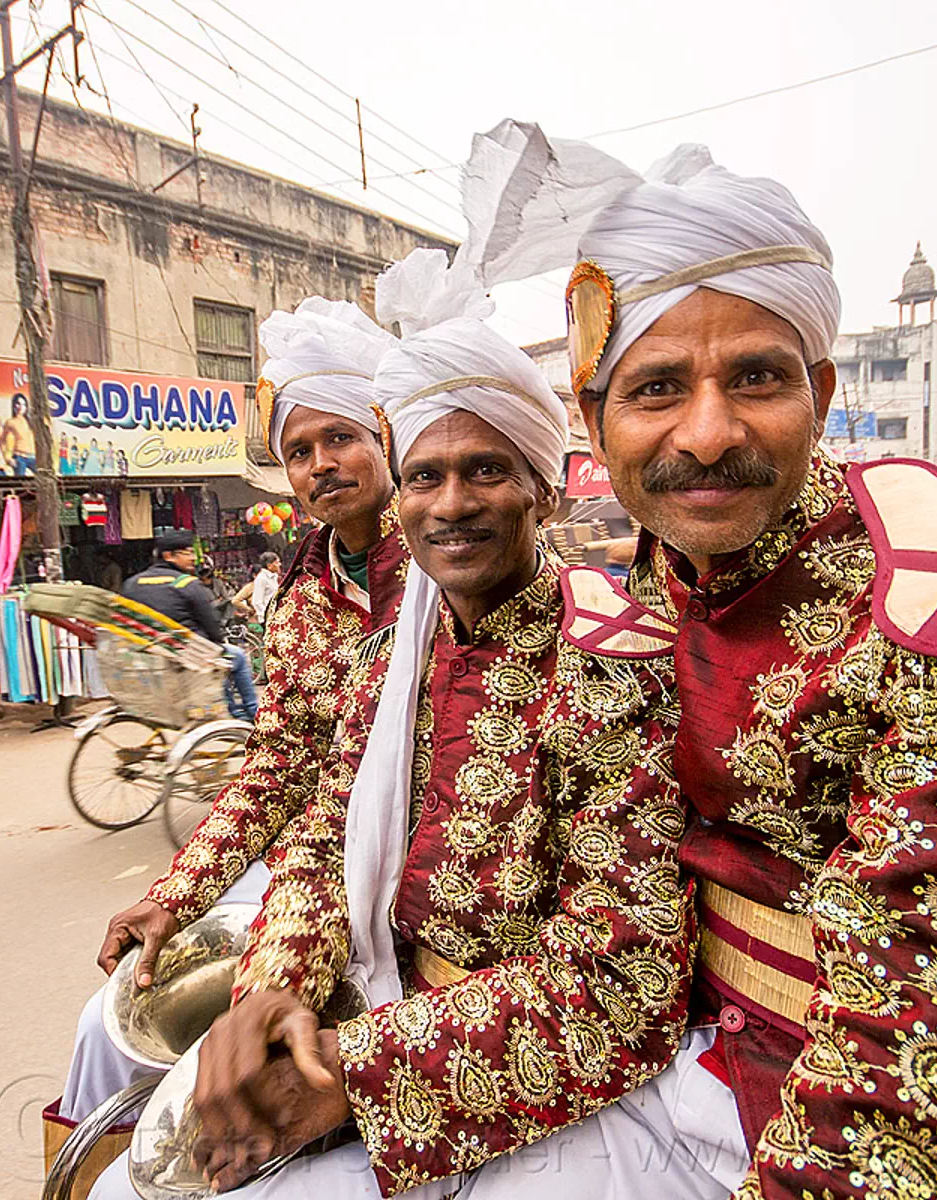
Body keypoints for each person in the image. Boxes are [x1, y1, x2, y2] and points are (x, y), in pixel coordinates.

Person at [447, 118, 937, 1199]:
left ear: (819, 385)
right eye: (657, 387)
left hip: (824, 1113)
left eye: (756, 378)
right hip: (661, 1062)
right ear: (594, 417)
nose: (708, 433)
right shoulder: (639, 585)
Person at [92, 250, 691, 1200]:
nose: (450, 504)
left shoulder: (612, 667)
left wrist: (356, 1076)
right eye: (426, 477)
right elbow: (323, 839)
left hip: (510, 1067)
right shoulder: (383, 658)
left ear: (545, 487)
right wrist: (267, 996)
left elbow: (620, 979)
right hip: (379, 985)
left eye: (485, 470)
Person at [46, 299, 404, 1187]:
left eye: (341, 439)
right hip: (310, 872)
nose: (322, 465)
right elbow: (278, 759)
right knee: (108, 1018)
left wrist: (269, 979)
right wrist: (172, 894)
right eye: (299, 452)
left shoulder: (441, 565)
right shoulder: (309, 584)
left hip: (389, 885)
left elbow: (349, 800)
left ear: (388, 438)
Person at [121, 530, 259, 721]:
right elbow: (212, 627)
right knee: (237, 656)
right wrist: (218, 642)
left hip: (149, 658)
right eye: (187, 552)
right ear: (169, 556)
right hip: (187, 658)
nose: (193, 558)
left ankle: (233, 710)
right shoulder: (186, 584)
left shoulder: (132, 584)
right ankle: (254, 714)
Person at [232, 550, 283, 622]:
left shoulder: (275, 577)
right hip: (268, 619)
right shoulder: (261, 579)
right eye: (277, 562)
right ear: (269, 566)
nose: (280, 564)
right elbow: (257, 602)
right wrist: (267, 615)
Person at [1, 392, 36, 476]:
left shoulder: (31, 422)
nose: (21, 407)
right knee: (20, 482)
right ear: (14, 405)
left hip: (32, 457)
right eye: (18, 404)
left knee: (44, 477)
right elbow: (2, 441)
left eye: (23, 404)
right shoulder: (10, 422)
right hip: (19, 457)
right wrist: (8, 458)